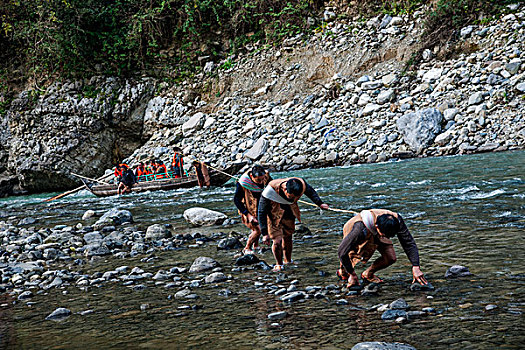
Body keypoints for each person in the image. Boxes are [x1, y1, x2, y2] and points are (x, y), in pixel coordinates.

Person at [337, 209, 428, 288]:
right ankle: (344, 273)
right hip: (361, 231)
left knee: (390, 258)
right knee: (349, 257)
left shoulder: (396, 221)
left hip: (379, 231)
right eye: (386, 236)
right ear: (377, 228)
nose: (389, 238)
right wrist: (353, 275)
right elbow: (342, 252)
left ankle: (367, 274)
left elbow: (408, 243)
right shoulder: (358, 230)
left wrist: (416, 266)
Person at [258, 177, 329, 271]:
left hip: (289, 212)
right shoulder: (269, 191)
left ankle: (288, 260)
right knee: (277, 241)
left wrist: (320, 203)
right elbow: (261, 211)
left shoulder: (301, 184)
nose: (294, 198)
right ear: (285, 189)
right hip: (273, 214)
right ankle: (279, 264)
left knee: (288, 237)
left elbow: (310, 192)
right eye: (291, 196)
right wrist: (264, 233)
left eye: (296, 197)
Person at [233, 165, 272, 255]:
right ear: (251, 176)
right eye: (258, 180)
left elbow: (272, 186)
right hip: (247, 208)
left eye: (263, 179)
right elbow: (236, 200)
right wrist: (247, 215)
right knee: (258, 229)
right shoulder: (243, 182)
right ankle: (247, 247)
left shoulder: (265, 176)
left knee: (260, 224)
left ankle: (256, 246)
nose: (261, 182)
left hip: (261, 206)